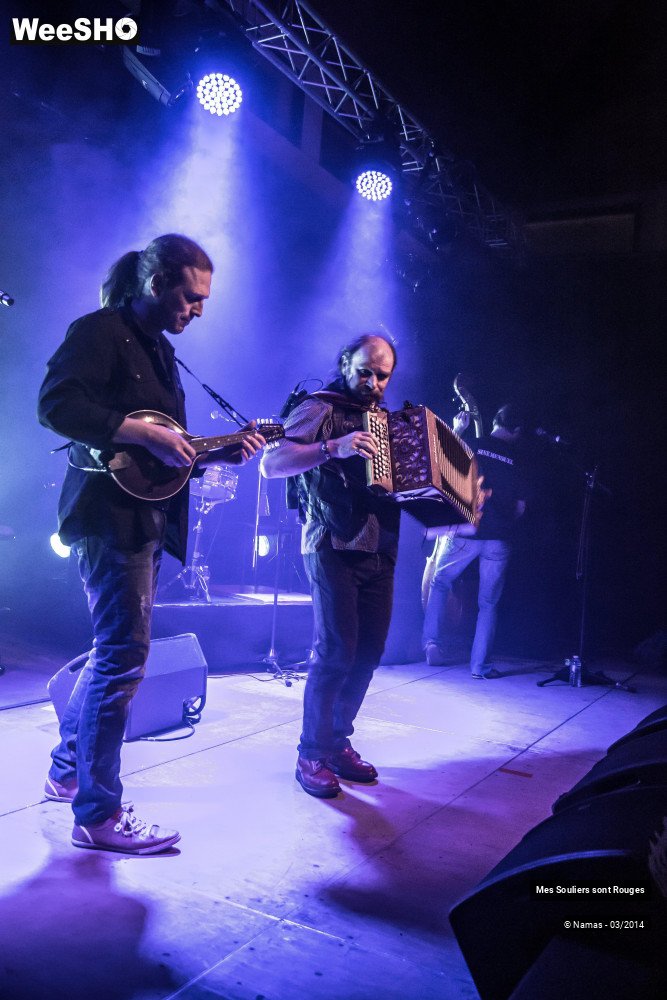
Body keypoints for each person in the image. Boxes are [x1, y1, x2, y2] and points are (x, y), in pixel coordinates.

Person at [38, 234, 265, 854]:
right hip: (107, 520)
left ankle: (66, 771)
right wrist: (139, 431)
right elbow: (55, 405)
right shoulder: (99, 332)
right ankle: (98, 815)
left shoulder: (163, 352)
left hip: (145, 522)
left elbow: (170, 449)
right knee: (121, 658)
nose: (199, 310)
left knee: (113, 653)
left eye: (204, 300)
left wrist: (218, 454)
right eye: (191, 297)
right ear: (156, 283)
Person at [261, 333, 399, 798]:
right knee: (336, 651)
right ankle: (312, 753)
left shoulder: (386, 422)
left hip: (380, 547)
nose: (374, 382)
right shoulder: (319, 407)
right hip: (330, 543)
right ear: (345, 364)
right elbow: (271, 463)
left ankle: (337, 742)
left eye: (383, 375)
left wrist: (455, 497)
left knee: (369, 652)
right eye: (365, 371)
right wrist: (331, 448)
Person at [422, 404, 527, 677]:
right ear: (516, 430)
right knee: (488, 604)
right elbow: (520, 508)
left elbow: (440, 465)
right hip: (499, 539)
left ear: (495, 422)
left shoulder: (475, 445)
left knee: (440, 583)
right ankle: (480, 667)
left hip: (466, 531)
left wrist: (457, 430)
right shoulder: (518, 461)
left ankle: (432, 644)